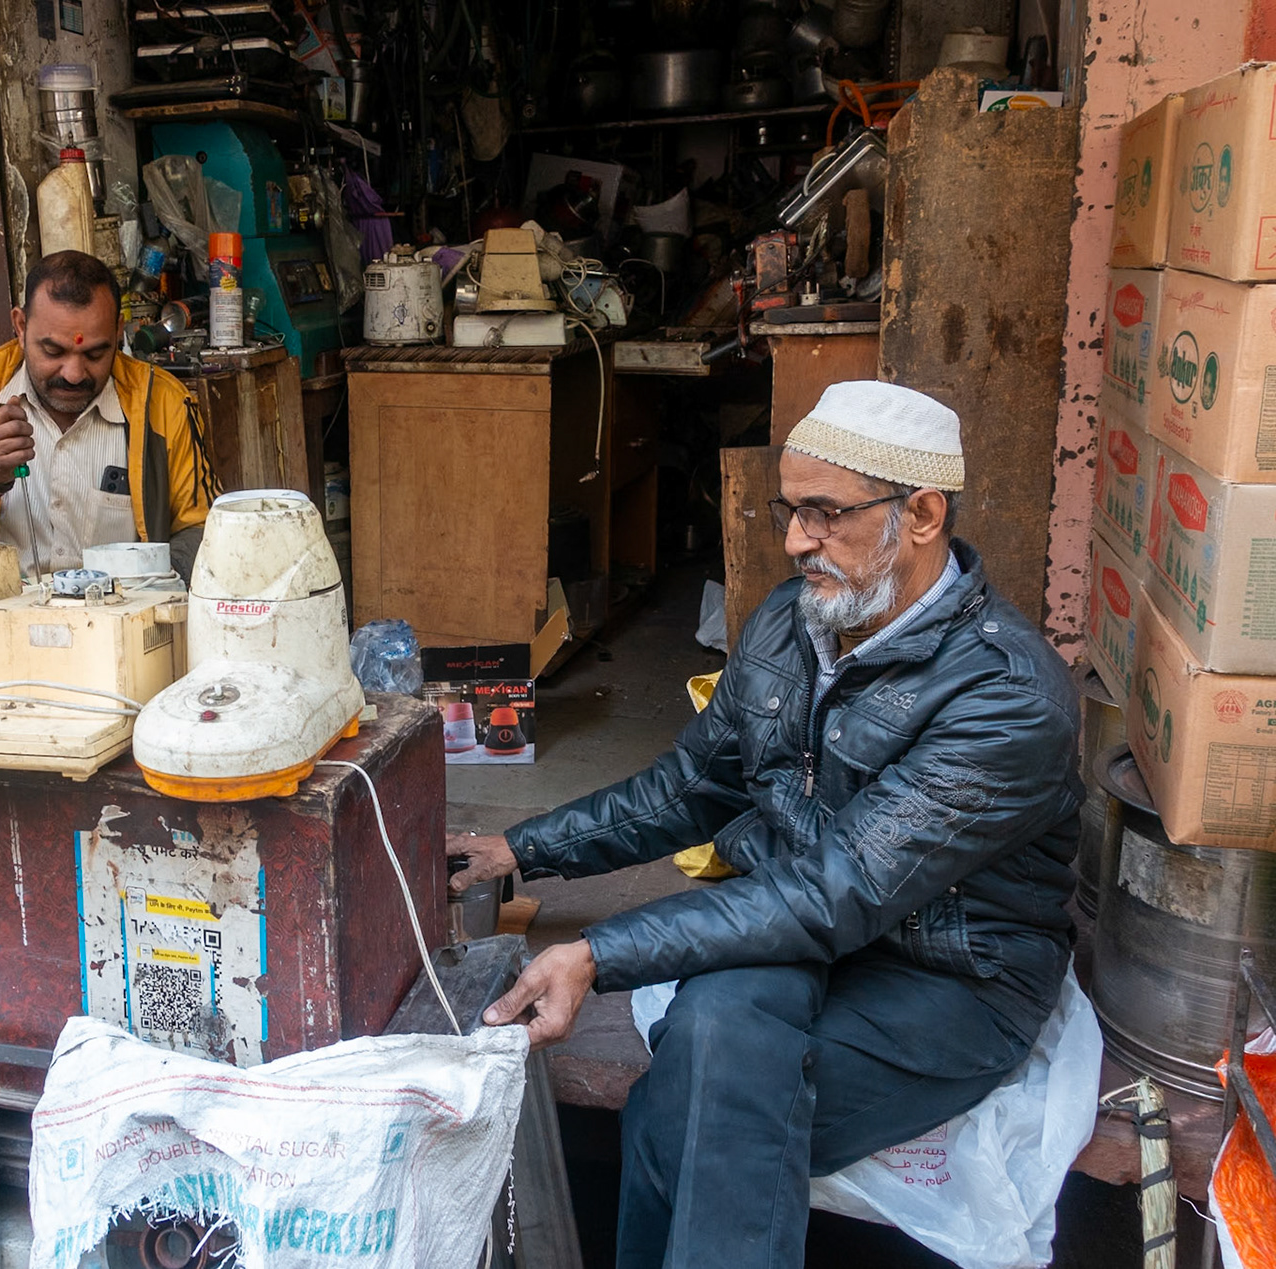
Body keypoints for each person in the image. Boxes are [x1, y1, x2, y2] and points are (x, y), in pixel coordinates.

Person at [449, 381, 1080, 1269]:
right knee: (713, 1044)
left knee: (690, 1111)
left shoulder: (1006, 695)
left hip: (946, 978)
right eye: (791, 509)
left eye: (825, 514)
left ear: (925, 513)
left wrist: (599, 953)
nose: (794, 540)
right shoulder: (792, 621)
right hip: (793, 931)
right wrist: (523, 846)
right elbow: (697, 784)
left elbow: (839, 892)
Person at [0, 250, 218, 578]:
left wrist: (146, 596)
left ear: (118, 330)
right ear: (20, 325)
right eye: (53, 351)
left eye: (95, 353)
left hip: (124, 621)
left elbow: (205, 530)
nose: (74, 373)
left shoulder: (163, 403)